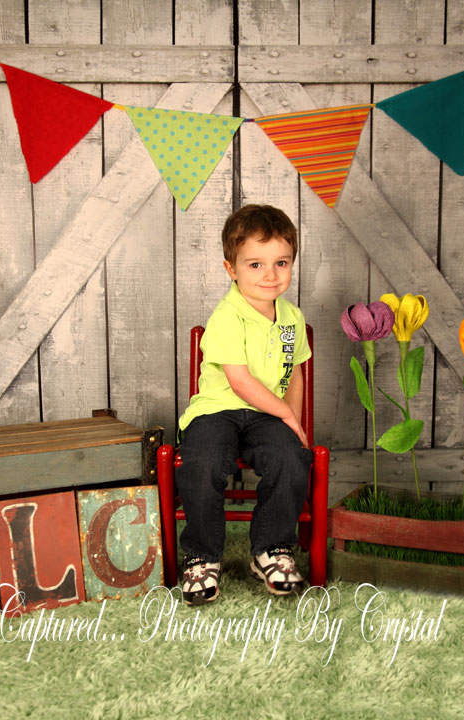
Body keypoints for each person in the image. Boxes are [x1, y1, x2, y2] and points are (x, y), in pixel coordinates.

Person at [176, 204, 312, 605]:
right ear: (230, 269)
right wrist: (284, 412)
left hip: (266, 415)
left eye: (281, 263)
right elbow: (239, 381)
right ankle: (202, 556)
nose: (270, 274)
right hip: (217, 410)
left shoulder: (291, 317)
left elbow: (295, 372)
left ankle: (272, 549)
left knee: (290, 456)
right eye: (255, 264)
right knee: (203, 460)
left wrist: (293, 422)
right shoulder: (228, 315)